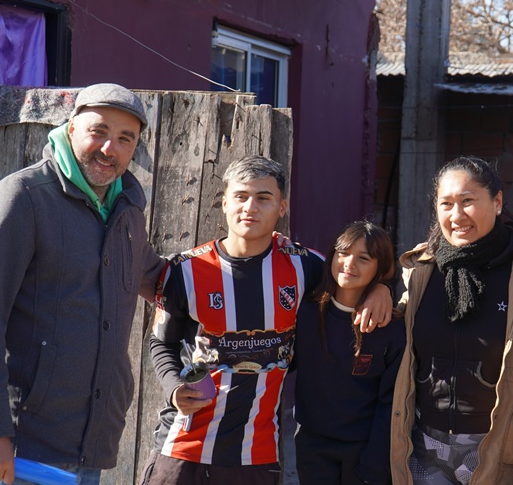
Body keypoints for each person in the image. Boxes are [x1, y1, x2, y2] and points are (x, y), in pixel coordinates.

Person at [0, 83, 165, 485]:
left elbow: (157, 275)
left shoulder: (126, 211)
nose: (110, 149)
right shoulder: (21, 199)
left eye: (125, 138)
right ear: (70, 129)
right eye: (99, 131)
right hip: (18, 447)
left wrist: (233, 264)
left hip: (87, 444)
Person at [141, 156, 393, 484]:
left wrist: (383, 288)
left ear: (281, 207)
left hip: (256, 454)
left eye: (263, 198)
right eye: (241, 196)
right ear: (224, 203)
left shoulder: (307, 267)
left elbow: (354, 278)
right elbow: (161, 342)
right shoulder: (184, 270)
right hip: (182, 447)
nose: (250, 207)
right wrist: (174, 386)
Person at [391, 156, 513, 485]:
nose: (456, 216)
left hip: (495, 444)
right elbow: (397, 321)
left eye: (468, 201)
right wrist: (378, 292)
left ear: (497, 202)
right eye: (446, 204)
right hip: (424, 445)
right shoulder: (422, 270)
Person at [294, 221, 406, 485]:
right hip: (312, 447)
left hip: (365, 451)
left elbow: (391, 402)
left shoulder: (390, 327)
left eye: (363, 258)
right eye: (343, 253)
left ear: (381, 268)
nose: (349, 264)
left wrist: (374, 466)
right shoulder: (305, 311)